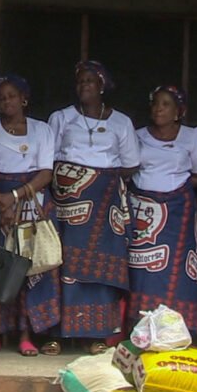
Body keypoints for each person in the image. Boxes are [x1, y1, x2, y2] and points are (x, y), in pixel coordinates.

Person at [48, 61, 140, 355]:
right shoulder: (61, 118)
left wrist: (97, 182)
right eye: (80, 81)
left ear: (102, 86)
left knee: (102, 269)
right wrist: (78, 183)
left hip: (103, 207)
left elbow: (130, 165)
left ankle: (97, 336)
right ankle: (57, 335)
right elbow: (48, 161)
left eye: (90, 81)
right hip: (68, 206)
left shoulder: (121, 122)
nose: (84, 86)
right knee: (64, 267)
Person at [127, 85, 197, 336]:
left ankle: (174, 331)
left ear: (178, 112)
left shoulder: (192, 137)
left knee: (175, 269)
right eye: (155, 103)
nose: (158, 109)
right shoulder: (137, 135)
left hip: (177, 213)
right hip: (142, 211)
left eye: (165, 104)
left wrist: (174, 191)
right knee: (143, 269)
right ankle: (142, 329)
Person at [0, 74, 60, 356]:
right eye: (1, 98)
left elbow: (45, 173)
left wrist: (15, 198)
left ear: (24, 99)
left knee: (29, 269)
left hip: (32, 203)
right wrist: (0, 202)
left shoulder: (42, 130)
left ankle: (25, 334)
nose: (6, 102)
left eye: (11, 97)